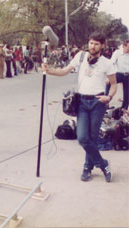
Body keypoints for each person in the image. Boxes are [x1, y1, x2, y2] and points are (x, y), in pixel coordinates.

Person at [42, 31, 117, 182]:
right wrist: (49, 70)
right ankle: (103, 164)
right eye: (91, 43)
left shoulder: (107, 63)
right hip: (82, 102)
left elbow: (114, 85)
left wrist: (108, 97)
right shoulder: (81, 56)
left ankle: (87, 168)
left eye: (96, 44)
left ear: (102, 46)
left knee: (93, 137)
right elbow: (64, 71)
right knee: (82, 138)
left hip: (98, 102)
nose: (93, 46)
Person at [105, 40, 129, 110]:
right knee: (108, 83)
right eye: (128, 47)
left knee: (127, 93)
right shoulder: (117, 53)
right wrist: (108, 77)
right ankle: (106, 103)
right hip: (119, 73)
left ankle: (124, 109)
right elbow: (110, 64)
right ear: (124, 46)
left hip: (128, 75)